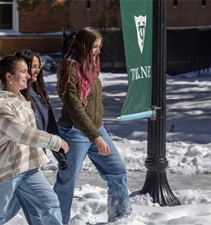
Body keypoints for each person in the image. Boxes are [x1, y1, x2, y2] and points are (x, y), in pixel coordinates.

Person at [53, 26, 133, 224]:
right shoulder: (70, 68)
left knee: (117, 170)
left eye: (99, 46)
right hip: (74, 132)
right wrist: (96, 137)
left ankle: (121, 217)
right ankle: (55, 221)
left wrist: (97, 133)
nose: (98, 51)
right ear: (84, 45)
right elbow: (75, 108)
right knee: (67, 182)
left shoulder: (90, 65)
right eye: (95, 47)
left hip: (96, 128)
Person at [0, 55, 69, 225]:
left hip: (26, 165)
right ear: (9, 76)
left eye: (27, 71)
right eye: (23, 72)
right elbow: (20, 133)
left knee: (50, 204)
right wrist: (53, 141)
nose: (28, 76)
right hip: (5, 170)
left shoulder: (20, 98)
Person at [14, 49, 68, 170]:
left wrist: (60, 155)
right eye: (33, 66)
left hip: (36, 157)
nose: (37, 70)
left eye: (39, 66)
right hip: (19, 159)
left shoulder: (38, 93)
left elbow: (50, 125)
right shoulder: (15, 96)